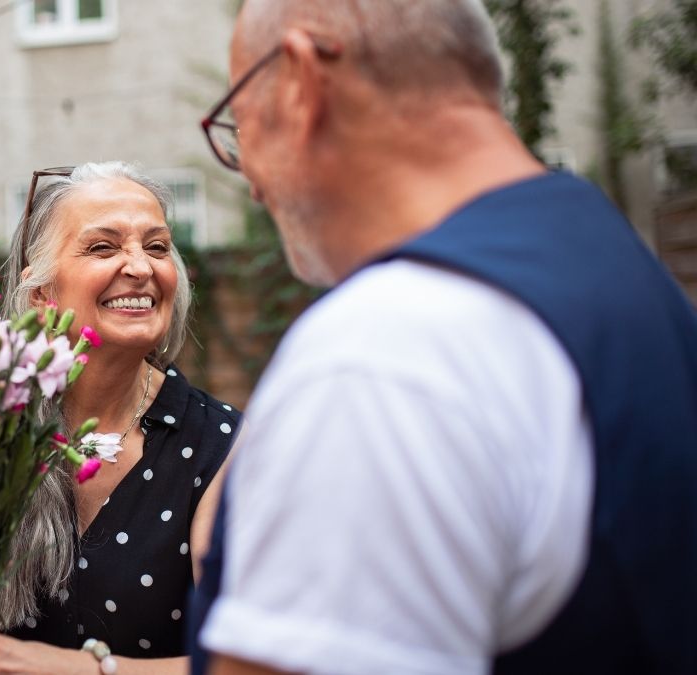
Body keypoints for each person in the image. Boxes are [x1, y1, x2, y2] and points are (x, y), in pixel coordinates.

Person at [190, 1, 697, 674]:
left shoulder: (384, 353)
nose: (249, 180)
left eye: (239, 126)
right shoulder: (617, 261)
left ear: (301, 81)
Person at [0, 161, 240, 675]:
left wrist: (66, 668)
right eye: (103, 247)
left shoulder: (219, 448)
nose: (141, 267)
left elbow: (245, 666)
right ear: (42, 295)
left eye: (157, 246)